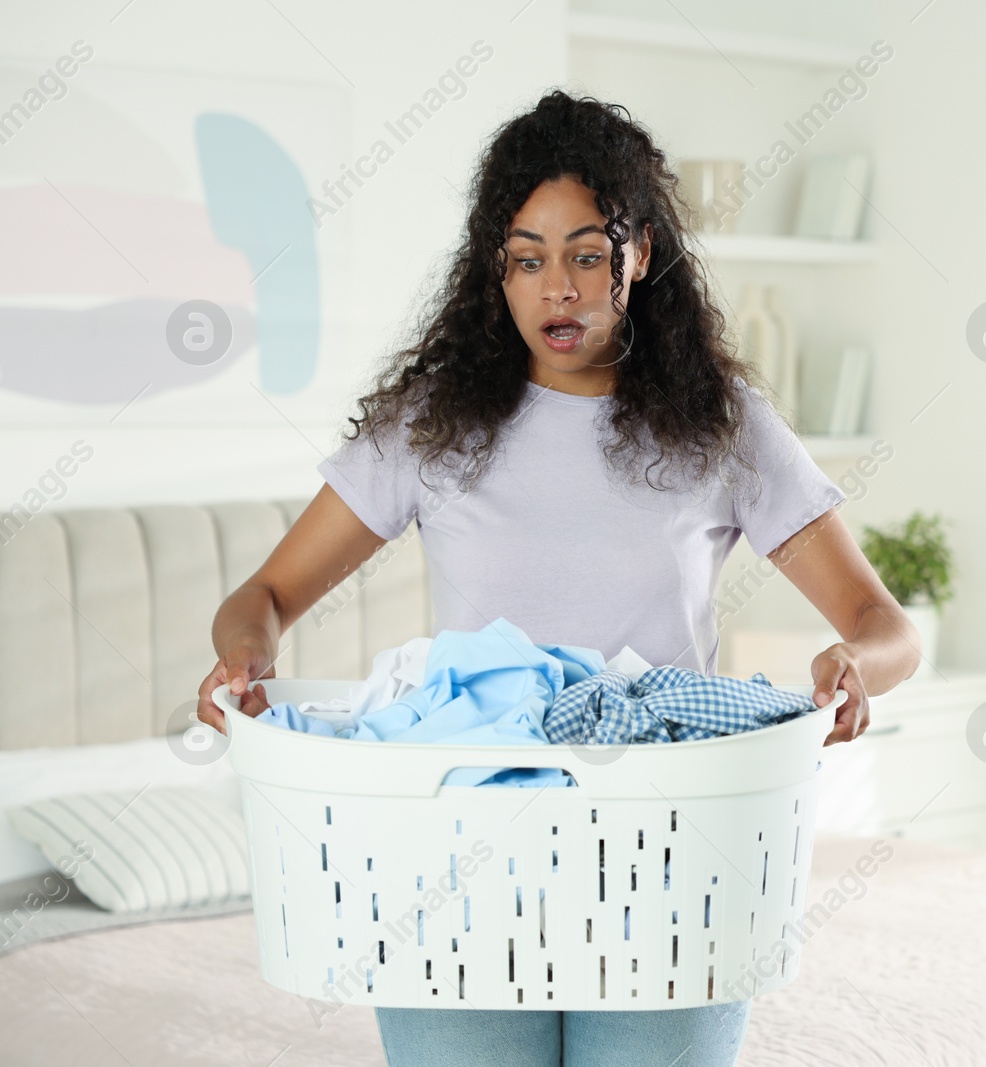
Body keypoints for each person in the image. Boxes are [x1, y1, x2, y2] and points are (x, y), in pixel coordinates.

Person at [193, 89, 921, 1066]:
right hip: (461, 862)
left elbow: (883, 621)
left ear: (641, 254)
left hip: (668, 856)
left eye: (586, 252)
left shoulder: (722, 424)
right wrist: (243, 657)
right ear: (495, 270)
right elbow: (264, 596)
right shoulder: (431, 425)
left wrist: (854, 663)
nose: (558, 289)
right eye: (527, 259)